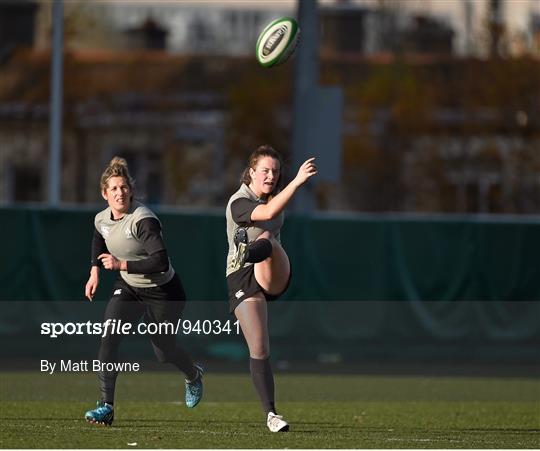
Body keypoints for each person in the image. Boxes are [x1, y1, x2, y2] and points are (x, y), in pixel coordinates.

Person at [84, 156, 203, 426]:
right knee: (109, 336)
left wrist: (120, 263)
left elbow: (160, 261)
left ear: (131, 191)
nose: (119, 192)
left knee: (164, 353)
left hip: (164, 292)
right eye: (113, 188)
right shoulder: (101, 218)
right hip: (129, 288)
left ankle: (193, 375)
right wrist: (94, 271)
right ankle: (106, 406)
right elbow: (99, 236)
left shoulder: (143, 220)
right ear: (105, 194)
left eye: (124, 187)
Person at [225, 145, 317, 432]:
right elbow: (267, 211)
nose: (271, 175)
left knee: (269, 239)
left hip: (271, 269)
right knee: (260, 347)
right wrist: (297, 181)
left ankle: (251, 252)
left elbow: (272, 210)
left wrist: (290, 186)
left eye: (275, 171)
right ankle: (272, 415)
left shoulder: (276, 197)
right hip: (241, 277)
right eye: (265, 170)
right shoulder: (238, 202)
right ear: (251, 172)